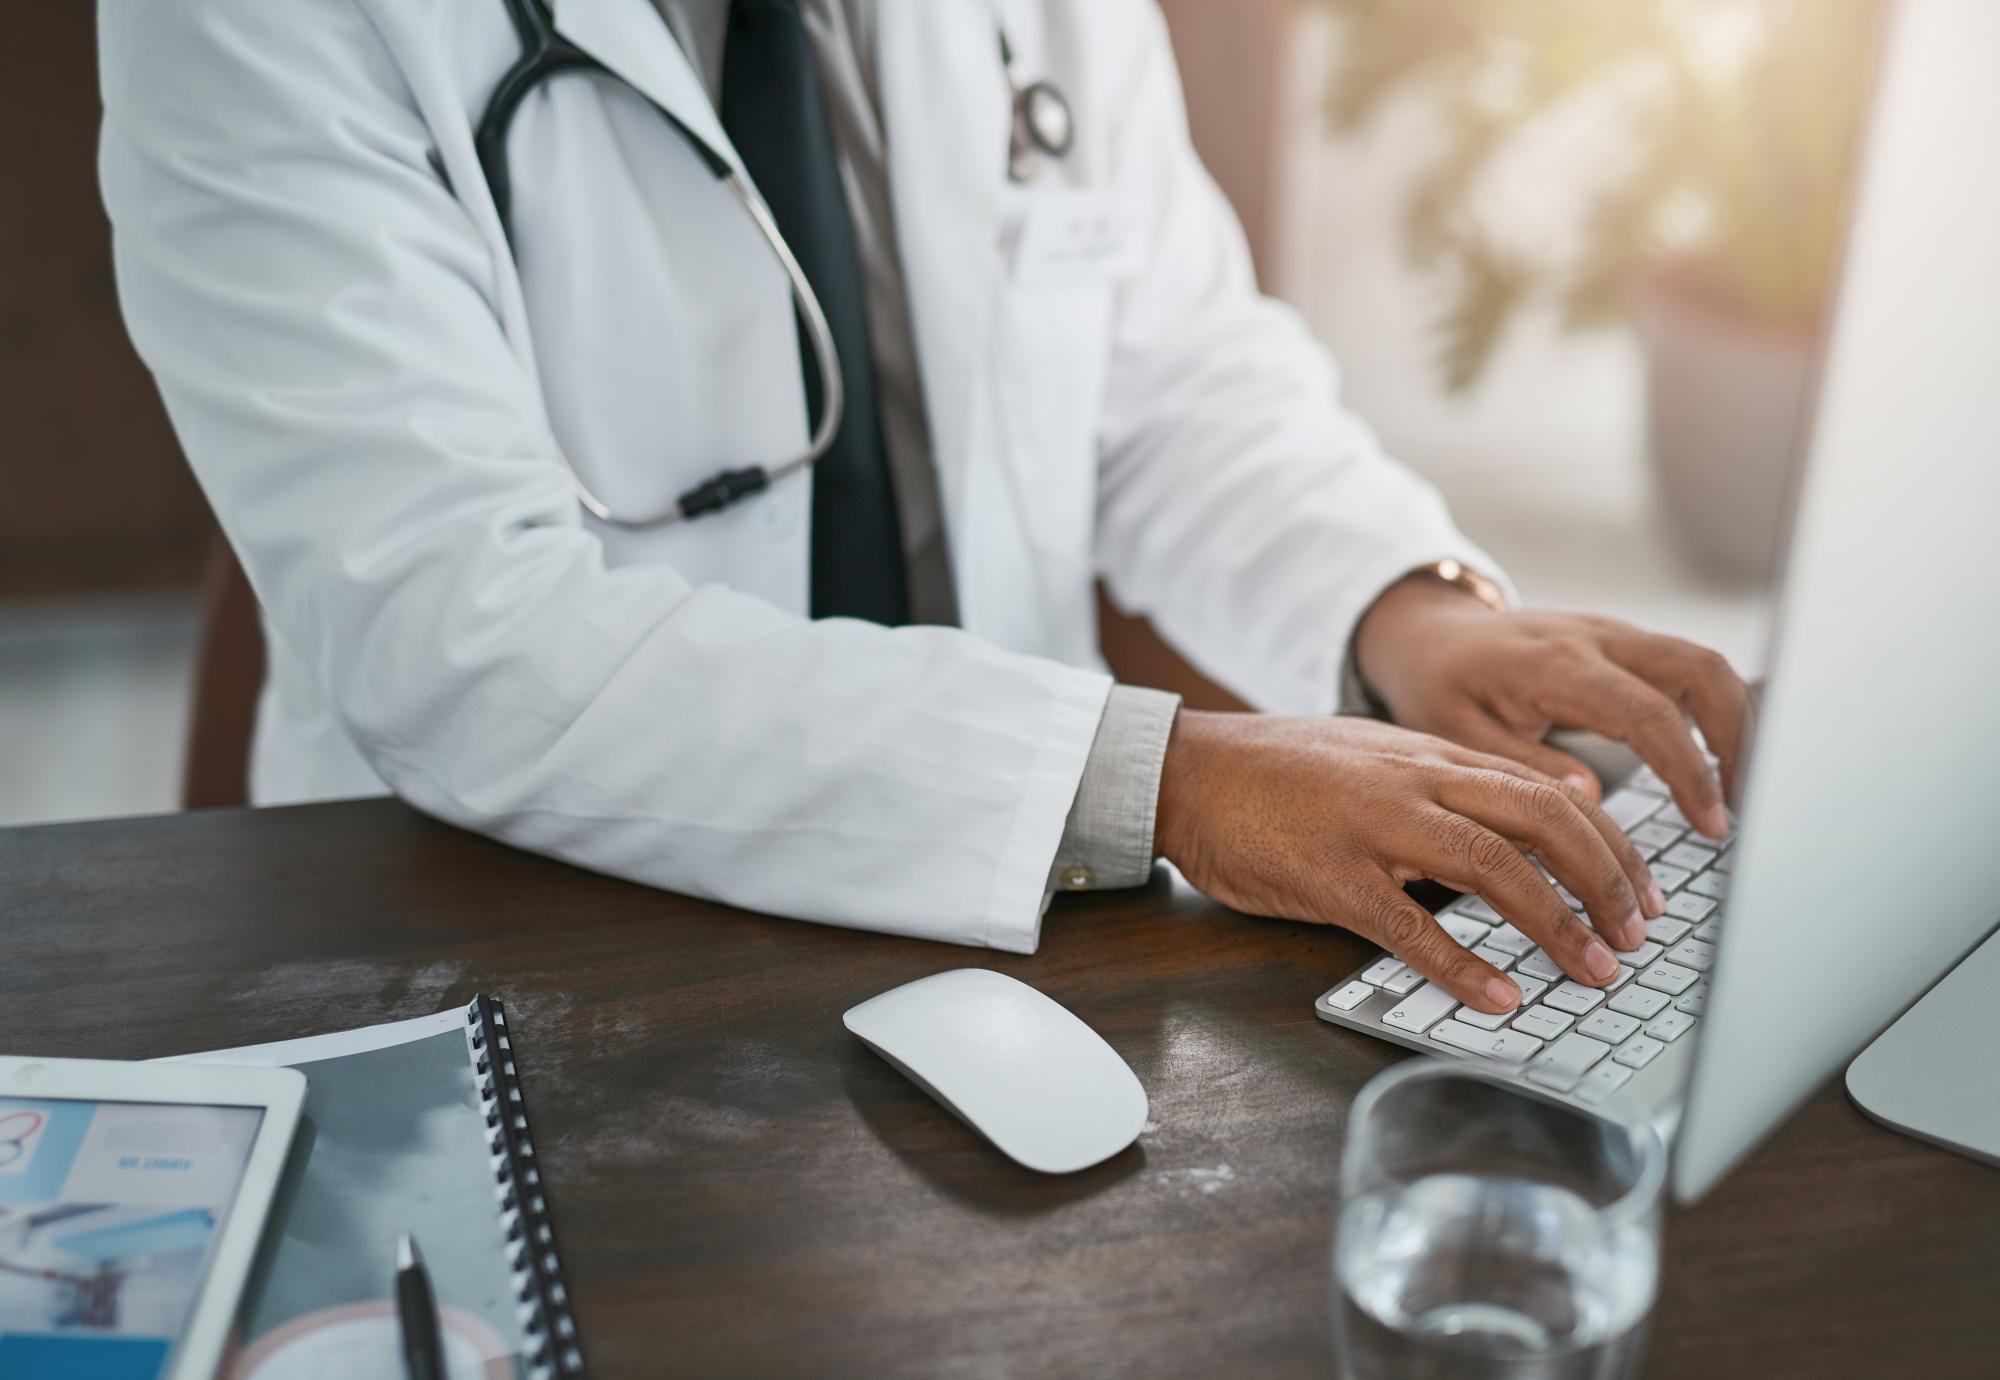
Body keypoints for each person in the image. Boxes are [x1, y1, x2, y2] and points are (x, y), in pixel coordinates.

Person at [97, 0, 1750, 1018]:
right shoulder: (253, 18)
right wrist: (1160, 777)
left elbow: (1167, 367)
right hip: (518, 925)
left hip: (1012, 907)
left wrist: (1409, 605)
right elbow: (462, 635)